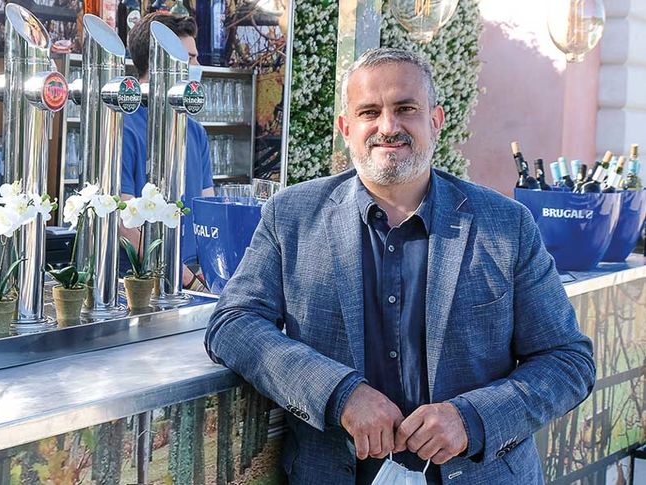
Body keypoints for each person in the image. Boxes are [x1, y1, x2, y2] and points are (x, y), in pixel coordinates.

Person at [205, 48, 596, 484]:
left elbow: (568, 361)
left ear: (436, 120)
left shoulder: (506, 225)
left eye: (405, 108)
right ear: (346, 129)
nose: (388, 127)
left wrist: (472, 419)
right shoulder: (292, 216)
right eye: (370, 112)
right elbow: (233, 323)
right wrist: (338, 393)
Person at [121, 13, 213, 290]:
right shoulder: (124, 126)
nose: (197, 66)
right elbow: (123, 221)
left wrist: (211, 269)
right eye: (189, 58)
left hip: (194, 276)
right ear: (158, 63)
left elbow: (209, 210)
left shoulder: (196, 131)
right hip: (140, 281)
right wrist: (183, 276)